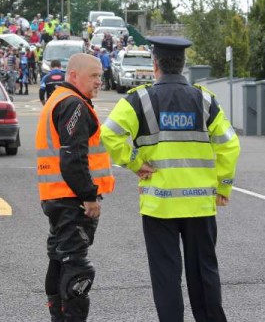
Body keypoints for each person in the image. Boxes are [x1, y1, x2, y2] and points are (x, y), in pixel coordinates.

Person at [100, 36, 241, 322]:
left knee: (166, 276)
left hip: (159, 205)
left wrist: (135, 162)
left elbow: (109, 134)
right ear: (183, 65)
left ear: (155, 65)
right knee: (204, 273)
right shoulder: (205, 100)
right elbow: (230, 145)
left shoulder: (138, 99)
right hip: (200, 205)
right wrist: (223, 184)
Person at [36, 53, 115, 321]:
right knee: (77, 268)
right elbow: (73, 156)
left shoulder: (57, 100)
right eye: (93, 76)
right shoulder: (74, 104)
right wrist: (89, 196)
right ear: (73, 76)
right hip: (71, 199)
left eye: (100, 76)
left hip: (56, 197)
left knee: (59, 260)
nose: (99, 82)